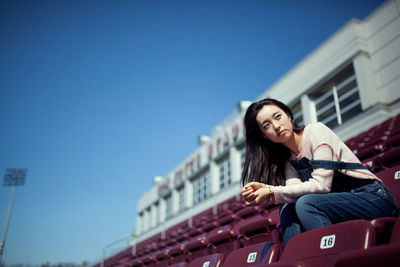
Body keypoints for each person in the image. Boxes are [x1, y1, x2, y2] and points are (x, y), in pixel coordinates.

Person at [241, 98, 399, 245]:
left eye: (278, 116)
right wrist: (262, 193)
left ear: (288, 115)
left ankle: (330, 256)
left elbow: (322, 185)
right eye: (267, 125)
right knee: (288, 208)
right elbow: (292, 192)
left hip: (372, 198)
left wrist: (270, 191)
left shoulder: (316, 131)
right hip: (337, 205)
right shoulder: (288, 160)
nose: (276, 126)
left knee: (307, 203)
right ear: (264, 135)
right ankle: (300, 258)